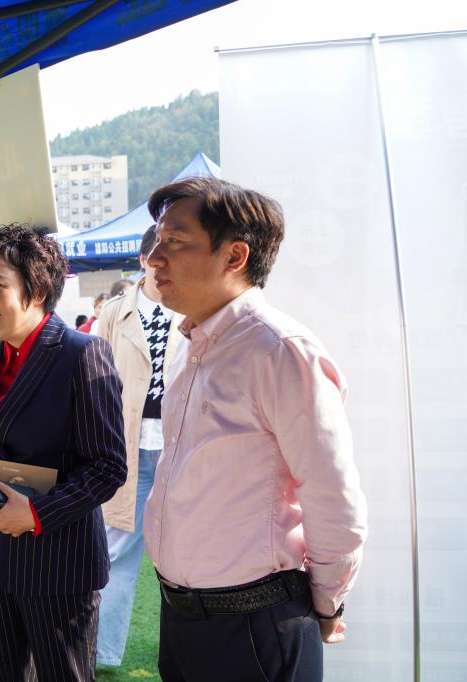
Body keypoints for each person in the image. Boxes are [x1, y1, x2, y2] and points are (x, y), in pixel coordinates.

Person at [143, 177, 368, 681]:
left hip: (254, 622)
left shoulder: (279, 350)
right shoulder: (192, 345)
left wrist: (328, 602)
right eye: (158, 240)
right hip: (182, 614)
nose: (155, 258)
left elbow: (332, 495)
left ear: (235, 255)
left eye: (175, 241)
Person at [0, 224, 127, 682]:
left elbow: (108, 466)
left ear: (38, 291)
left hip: (57, 562)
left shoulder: (82, 353)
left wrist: (35, 513)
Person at [93, 225, 182, 667]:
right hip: (125, 444)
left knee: (183, 552)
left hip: (180, 446)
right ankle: (102, 651)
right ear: (144, 260)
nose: (165, 266)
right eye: (158, 257)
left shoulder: (192, 304)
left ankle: (184, 650)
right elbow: (95, 375)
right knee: (119, 549)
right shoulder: (114, 312)